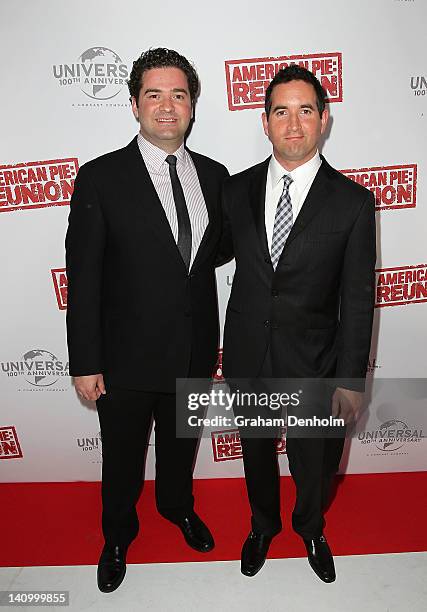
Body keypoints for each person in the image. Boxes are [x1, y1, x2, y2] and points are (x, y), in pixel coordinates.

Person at [65, 47, 229, 593]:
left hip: (194, 351)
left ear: (192, 106)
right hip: (125, 358)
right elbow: (83, 277)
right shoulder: (100, 178)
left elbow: (218, 251)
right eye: (154, 95)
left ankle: (177, 507)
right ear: (134, 104)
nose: (166, 107)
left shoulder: (215, 175)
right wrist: (86, 361)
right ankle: (116, 535)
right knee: (122, 462)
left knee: (181, 447)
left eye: (178, 95)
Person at [220, 65, 376, 581]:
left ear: (324, 119)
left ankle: (310, 528)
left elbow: (358, 301)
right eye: (280, 112)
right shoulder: (235, 191)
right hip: (249, 354)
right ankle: (262, 525)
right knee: (256, 454)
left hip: (316, 362)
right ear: (264, 122)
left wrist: (352, 381)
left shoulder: (353, 203)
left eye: (305, 110)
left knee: (314, 463)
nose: (293, 124)